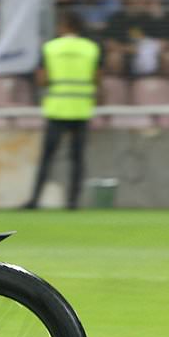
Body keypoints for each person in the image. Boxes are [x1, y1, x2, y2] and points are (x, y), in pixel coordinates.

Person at [23, 12, 102, 210]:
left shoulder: (50, 48)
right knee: (77, 160)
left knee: (47, 159)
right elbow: (97, 78)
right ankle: (73, 202)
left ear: (64, 26)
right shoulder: (91, 49)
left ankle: (34, 200)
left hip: (57, 109)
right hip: (81, 109)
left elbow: (42, 79)